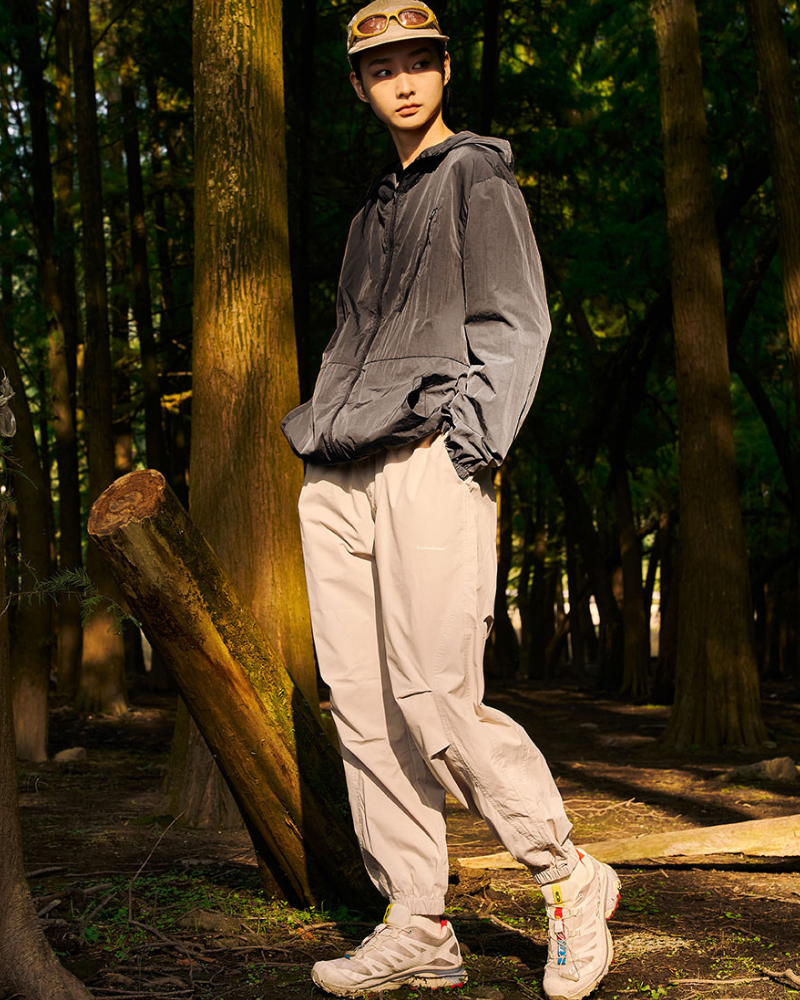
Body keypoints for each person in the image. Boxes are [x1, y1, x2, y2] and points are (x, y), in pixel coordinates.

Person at [281, 3, 619, 997]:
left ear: (442, 70)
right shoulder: (368, 215)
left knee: (434, 694)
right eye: (380, 67)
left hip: (427, 458)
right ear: (358, 85)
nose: (402, 80)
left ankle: (567, 874)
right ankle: (419, 922)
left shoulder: (476, 176)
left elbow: (515, 322)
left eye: (417, 61)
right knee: (363, 706)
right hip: (335, 472)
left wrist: (463, 445)